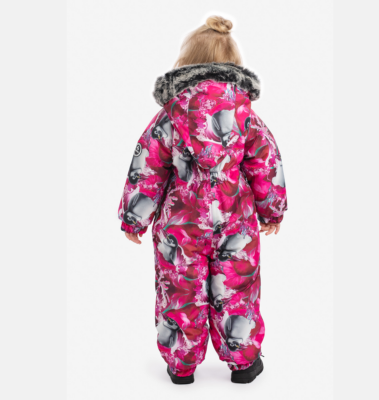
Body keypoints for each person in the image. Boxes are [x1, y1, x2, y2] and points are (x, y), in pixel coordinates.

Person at [117, 15, 288, 385]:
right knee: (237, 290)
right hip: (235, 221)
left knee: (180, 291)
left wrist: (134, 217)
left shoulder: (170, 114)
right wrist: (272, 210)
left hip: (181, 225)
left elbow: (148, 166)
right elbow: (266, 163)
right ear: (233, 64)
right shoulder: (246, 115)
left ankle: (181, 367)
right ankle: (244, 363)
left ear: (187, 62)